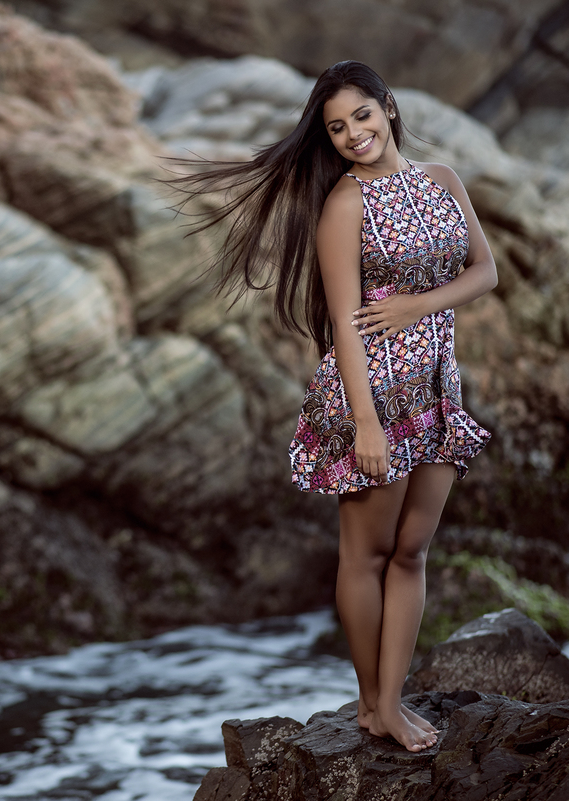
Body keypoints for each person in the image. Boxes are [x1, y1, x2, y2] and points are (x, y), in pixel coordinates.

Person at [173, 61, 496, 752]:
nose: (354, 134)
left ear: (389, 107)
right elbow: (347, 322)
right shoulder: (345, 204)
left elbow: (484, 270)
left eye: (362, 116)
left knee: (412, 549)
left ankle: (391, 697)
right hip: (372, 393)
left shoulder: (442, 181)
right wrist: (365, 422)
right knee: (367, 551)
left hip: (439, 389)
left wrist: (417, 304)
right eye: (337, 127)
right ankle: (376, 706)